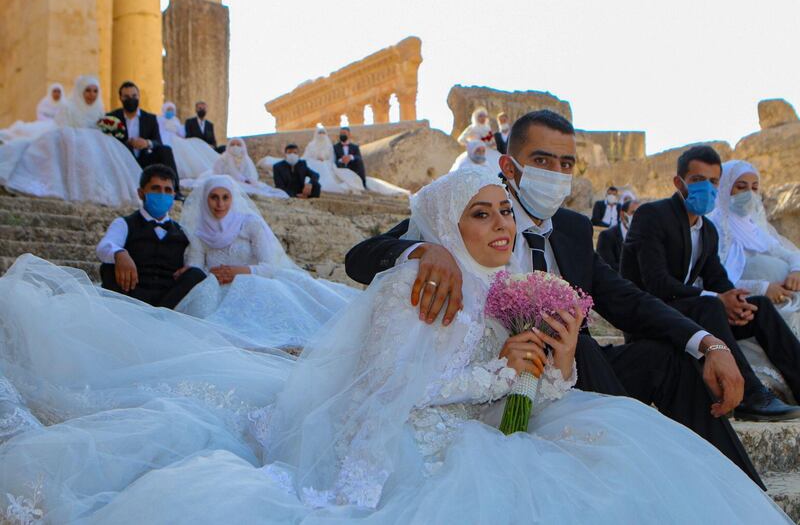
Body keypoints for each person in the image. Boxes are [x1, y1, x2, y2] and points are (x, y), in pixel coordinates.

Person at [0, 168, 789, 523]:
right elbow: (385, 392)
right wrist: (494, 364)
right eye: (481, 214)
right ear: (447, 224)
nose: (502, 227)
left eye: (503, 215)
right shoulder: (419, 278)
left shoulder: (521, 292)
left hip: (498, 437)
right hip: (411, 445)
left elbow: (518, 407)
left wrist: (557, 362)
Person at [345, 110, 764, 487]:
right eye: (543, 161)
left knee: (668, 360)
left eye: (566, 164)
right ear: (509, 166)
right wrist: (423, 250)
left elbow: (628, 299)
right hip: (496, 383)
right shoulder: (474, 208)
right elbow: (359, 258)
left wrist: (709, 342)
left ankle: (741, 489)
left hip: (568, 372)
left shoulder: (574, 229)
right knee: (574, 337)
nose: (557, 173)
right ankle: (629, 462)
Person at [621, 145, 800, 421]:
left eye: (713, 182)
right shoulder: (653, 216)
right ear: (679, 182)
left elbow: (718, 279)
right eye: (697, 180)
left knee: (759, 307)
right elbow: (656, 283)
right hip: (650, 317)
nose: (707, 188)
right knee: (711, 306)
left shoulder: (708, 230)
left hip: (686, 314)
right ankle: (750, 396)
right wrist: (717, 299)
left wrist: (736, 300)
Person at [175, 175, 357, 348]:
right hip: (217, 289)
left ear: (233, 199)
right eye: (214, 197)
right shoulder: (200, 233)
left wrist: (236, 272)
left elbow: (269, 266)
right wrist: (194, 271)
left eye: (225, 197)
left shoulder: (249, 223)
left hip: (257, 284)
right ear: (206, 199)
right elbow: (196, 267)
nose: (220, 203)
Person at [708, 159, 800, 401]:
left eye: (754, 187)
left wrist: (796, 271)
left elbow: (787, 253)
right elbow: (717, 279)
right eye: (740, 186)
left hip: (783, 298)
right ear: (725, 186)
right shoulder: (714, 227)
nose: (748, 194)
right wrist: (763, 287)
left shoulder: (755, 227)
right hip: (745, 304)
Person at [0, 75, 141, 206]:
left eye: (95, 91)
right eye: (88, 91)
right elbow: (61, 127)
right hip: (71, 142)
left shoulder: (99, 108)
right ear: (80, 91)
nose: (92, 95)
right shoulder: (68, 107)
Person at [96, 164, 206, 309]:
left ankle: (160, 319)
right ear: (141, 193)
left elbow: (194, 263)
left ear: (173, 195)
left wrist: (189, 268)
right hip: (131, 294)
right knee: (108, 267)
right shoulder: (124, 223)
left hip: (168, 300)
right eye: (155, 188)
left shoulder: (184, 231)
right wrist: (119, 253)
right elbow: (104, 247)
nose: (162, 194)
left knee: (196, 274)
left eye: (167, 190)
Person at [107, 81, 182, 198]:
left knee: (166, 150)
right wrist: (126, 143)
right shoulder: (112, 118)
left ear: (139, 97)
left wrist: (147, 143)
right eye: (126, 97)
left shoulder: (150, 118)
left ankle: (175, 190)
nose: (130, 99)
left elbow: (158, 142)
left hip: (145, 159)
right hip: (122, 161)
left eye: (134, 96)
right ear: (120, 98)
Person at [207, 138, 288, 199]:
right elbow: (217, 173)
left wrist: (248, 180)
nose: (235, 147)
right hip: (227, 181)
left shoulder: (246, 159)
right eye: (232, 144)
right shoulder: (222, 159)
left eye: (238, 145)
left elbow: (251, 175)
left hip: (244, 183)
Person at [158, 101, 220, 180]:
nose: (170, 112)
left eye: (172, 110)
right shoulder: (160, 119)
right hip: (166, 140)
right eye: (168, 109)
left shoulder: (176, 120)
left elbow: (180, 132)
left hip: (178, 139)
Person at [303, 124, 364, 194]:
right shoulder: (311, 145)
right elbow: (306, 157)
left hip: (326, 164)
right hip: (313, 163)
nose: (321, 135)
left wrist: (325, 161)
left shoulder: (329, 146)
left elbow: (332, 158)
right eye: (319, 133)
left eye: (323, 133)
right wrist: (316, 159)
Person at [596, 199, 640, 271]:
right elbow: (607, 266)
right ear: (622, 214)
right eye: (633, 213)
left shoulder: (643, 236)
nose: (637, 216)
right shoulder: (607, 236)